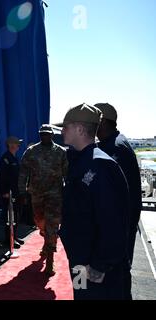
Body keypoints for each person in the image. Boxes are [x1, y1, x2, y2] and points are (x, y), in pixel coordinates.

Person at [59, 103, 130, 300]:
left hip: (94, 267)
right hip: (80, 261)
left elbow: (113, 221)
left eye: (66, 126)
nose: (61, 131)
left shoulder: (100, 166)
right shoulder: (81, 161)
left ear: (80, 129)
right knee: (80, 295)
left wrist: (101, 265)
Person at [95, 102, 142, 300]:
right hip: (118, 225)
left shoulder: (115, 149)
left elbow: (111, 198)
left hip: (116, 227)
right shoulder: (112, 143)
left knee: (117, 275)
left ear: (103, 122)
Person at [18, 124, 68, 276]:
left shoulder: (60, 152)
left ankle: (50, 261)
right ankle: (46, 240)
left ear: (52, 135)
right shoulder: (31, 151)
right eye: (42, 134)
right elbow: (23, 172)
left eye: (47, 134)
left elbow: (67, 173)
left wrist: (70, 193)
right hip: (37, 194)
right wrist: (21, 192)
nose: (45, 136)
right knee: (41, 223)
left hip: (54, 195)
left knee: (52, 225)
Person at [0, 136, 24, 249]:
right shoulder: (5, 159)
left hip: (15, 192)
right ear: (11, 145)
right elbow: (1, 177)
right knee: (10, 216)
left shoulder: (14, 158)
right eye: (17, 144)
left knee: (16, 216)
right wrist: (4, 192)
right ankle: (9, 239)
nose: (18, 146)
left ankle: (14, 236)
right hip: (9, 193)